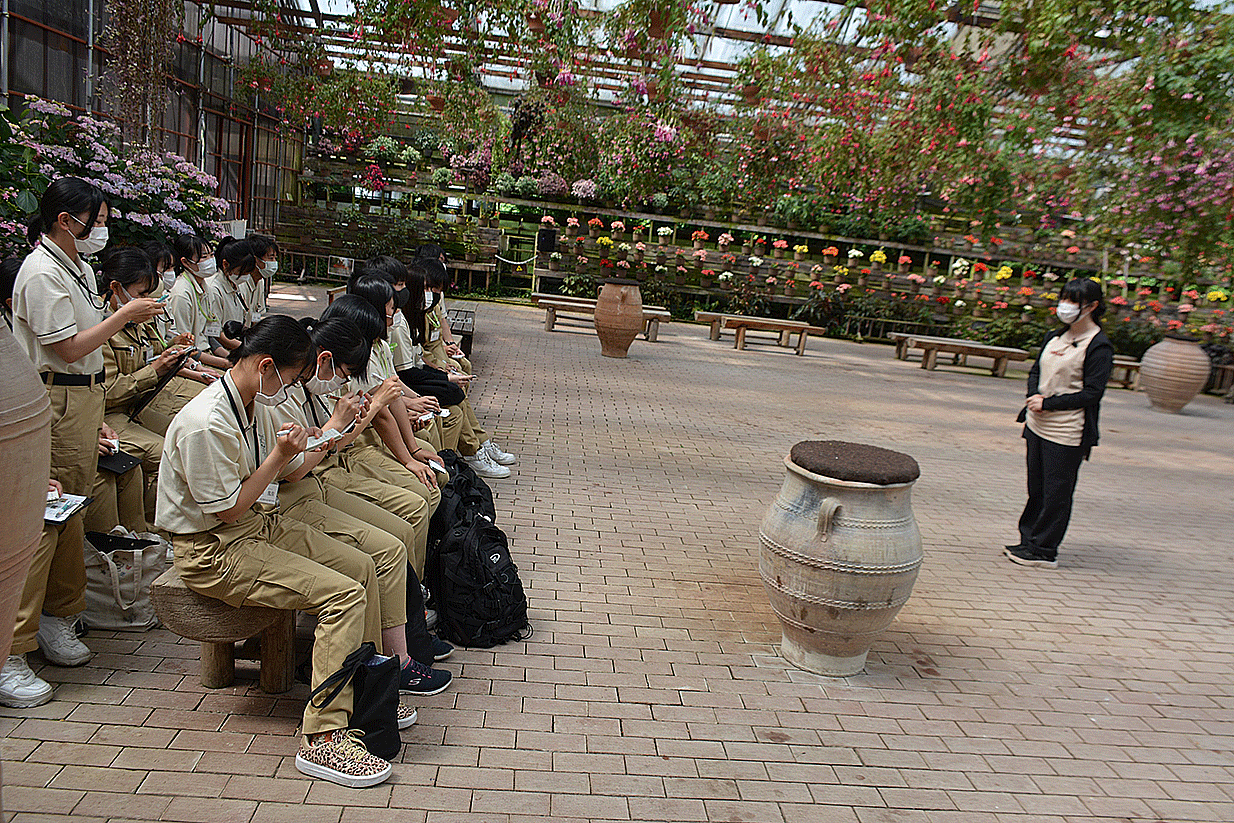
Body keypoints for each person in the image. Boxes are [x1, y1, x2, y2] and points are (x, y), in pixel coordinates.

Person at [155, 315, 407, 787]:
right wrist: (279, 455)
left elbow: (294, 468)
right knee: (343, 595)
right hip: (213, 550)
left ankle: (365, 693)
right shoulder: (206, 423)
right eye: (289, 379)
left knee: (362, 567)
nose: (289, 389)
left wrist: (325, 434)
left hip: (257, 525)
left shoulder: (255, 402)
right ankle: (324, 737)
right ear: (266, 366)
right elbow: (228, 510)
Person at [3, 177, 164, 708]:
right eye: (96, 220)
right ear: (66, 220)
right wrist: (124, 316)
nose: (101, 230)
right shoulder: (40, 273)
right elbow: (68, 349)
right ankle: (12, 648)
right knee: (42, 521)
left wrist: (93, 417)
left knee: (71, 513)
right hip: (56, 398)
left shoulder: (75, 267)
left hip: (81, 399)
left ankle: (58, 614)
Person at [1006, 278, 1114, 569]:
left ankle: (1044, 550)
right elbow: (1036, 371)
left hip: (1067, 431)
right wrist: (1034, 396)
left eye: (1073, 301)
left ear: (1091, 306)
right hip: (1037, 424)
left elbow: (1092, 393)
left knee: (1057, 493)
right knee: (1037, 488)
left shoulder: (1098, 346)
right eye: (1064, 299)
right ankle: (1028, 540)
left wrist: (1049, 404)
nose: (1065, 306)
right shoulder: (1054, 337)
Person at [166, 234, 231, 371]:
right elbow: (183, 347)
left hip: (207, 354)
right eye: (204, 257)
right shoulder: (181, 294)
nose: (210, 260)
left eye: (211, 255)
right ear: (186, 262)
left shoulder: (205, 286)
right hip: (191, 361)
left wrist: (230, 358)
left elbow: (209, 334)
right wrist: (225, 363)